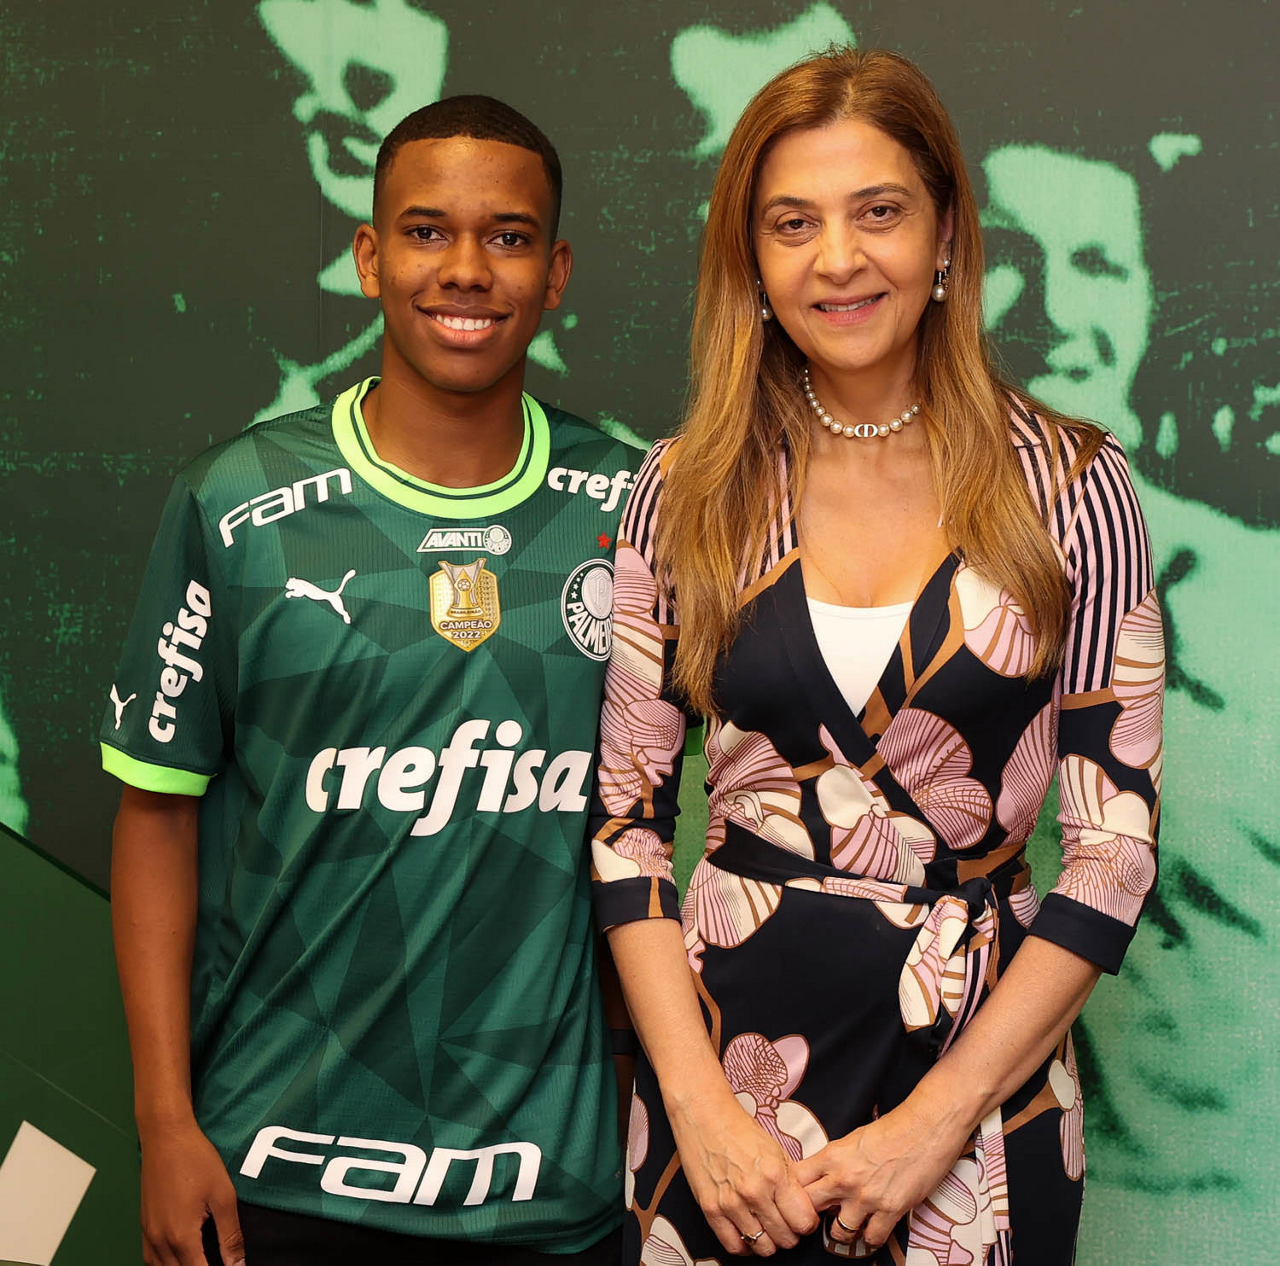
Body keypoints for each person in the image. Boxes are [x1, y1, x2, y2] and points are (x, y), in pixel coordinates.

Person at [589, 48, 1162, 1265]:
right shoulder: (682, 489)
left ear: (945, 233)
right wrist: (696, 1109)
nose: (836, 259)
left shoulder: (1071, 486)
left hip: (976, 1099)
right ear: (750, 259)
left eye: (879, 212)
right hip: (722, 1098)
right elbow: (623, 827)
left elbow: (1110, 855)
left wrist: (931, 1126)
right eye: (792, 223)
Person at [102, 95, 636, 1266]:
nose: (466, 269)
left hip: (545, 1189)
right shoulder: (233, 502)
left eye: (506, 237)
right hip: (270, 1170)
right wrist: (163, 1123)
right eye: (425, 231)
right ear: (368, 256)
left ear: (555, 273)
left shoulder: (636, 507)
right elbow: (156, 815)